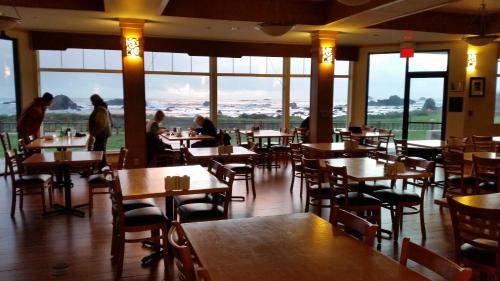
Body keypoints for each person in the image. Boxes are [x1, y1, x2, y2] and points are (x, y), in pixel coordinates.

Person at [88, 94, 112, 168]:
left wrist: (93, 134)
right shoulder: (104, 108)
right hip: (103, 134)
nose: (91, 103)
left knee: (99, 152)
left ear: (95, 101)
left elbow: (101, 124)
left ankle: (101, 169)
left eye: (92, 101)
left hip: (101, 134)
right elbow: (110, 121)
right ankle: (101, 169)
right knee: (101, 151)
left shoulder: (100, 109)